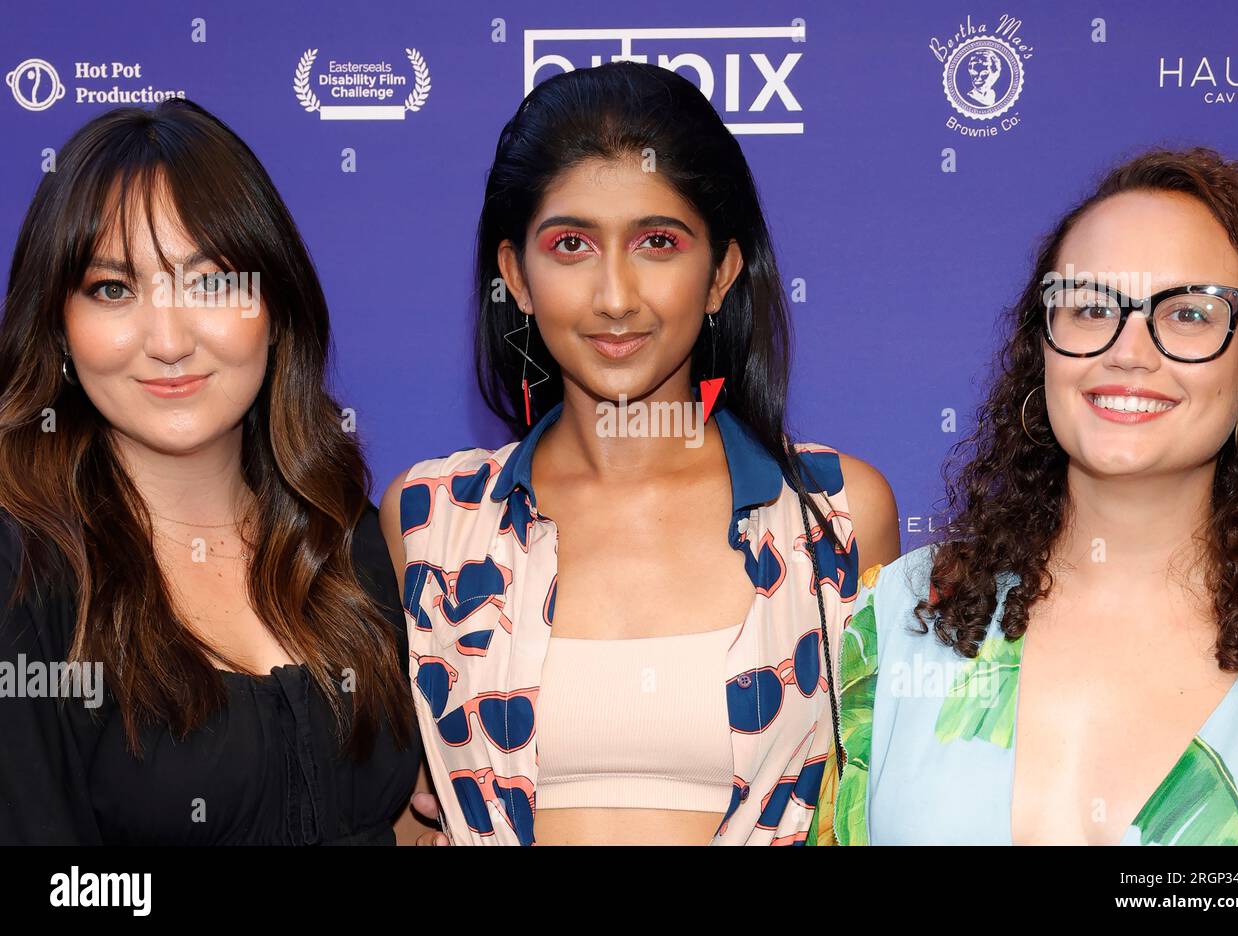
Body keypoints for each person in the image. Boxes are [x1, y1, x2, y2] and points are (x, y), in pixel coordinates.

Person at [382, 61, 899, 845]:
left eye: (658, 242)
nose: (615, 295)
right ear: (516, 276)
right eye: (571, 245)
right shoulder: (432, 522)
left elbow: (879, 807)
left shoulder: (836, 513)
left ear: (722, 271)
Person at [825, 147, 1238, 845]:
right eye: (1089, 305)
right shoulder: (904, 616)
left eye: (1190, 314)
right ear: (1040, 348)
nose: (1129, 351)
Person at [0, 99, 421, 844]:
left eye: (210, 281)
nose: (168, 340)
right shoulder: (24, 572)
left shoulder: (340, 530)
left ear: (275, 306)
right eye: (113, 289)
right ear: (59, 332)